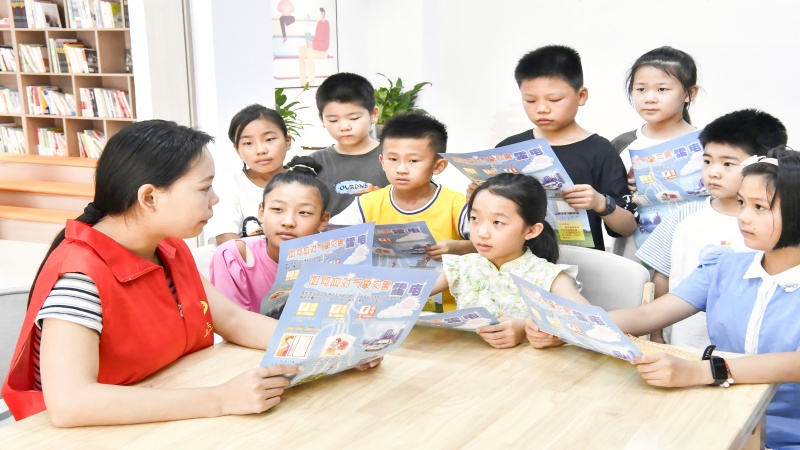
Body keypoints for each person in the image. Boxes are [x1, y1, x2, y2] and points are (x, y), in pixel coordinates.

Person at [1, 120, 303, 426]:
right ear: (149, 197)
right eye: (204, 188)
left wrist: (317, 343)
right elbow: (71, 403)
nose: (214, 198)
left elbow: (234, 320)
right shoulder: (80, 278)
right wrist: (221, 399)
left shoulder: (168, 248)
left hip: (161, 408)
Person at [595, 148, 799, 450]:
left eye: (760, 207)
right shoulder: (723, 267)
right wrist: (570, 325)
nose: (743, 216)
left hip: (788, 436)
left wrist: (703, 371)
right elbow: (647, 316)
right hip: (719, 420)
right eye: (741, 202)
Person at [635, 110, 788, 346]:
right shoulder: (683, 215)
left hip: (743, 352)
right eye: (707, 161)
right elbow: (661, 277)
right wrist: (656, 335)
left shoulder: (772, 226)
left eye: (728, 163)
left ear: (762, 166)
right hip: (682, 343)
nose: (713, 172)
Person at [490, 45, 637, 251]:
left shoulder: (599, 151)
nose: (541, 108)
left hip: (581, 263)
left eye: (554, 99)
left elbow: (627, 228)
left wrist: (600, 203)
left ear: (581, 96)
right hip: (518, 259)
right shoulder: (509, 148)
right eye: (530, 100)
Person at [431, 173, 588, 349]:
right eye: (475, 219)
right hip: (464, 360)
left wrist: (528, 329)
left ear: (531, 231)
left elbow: (592, 323)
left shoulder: (549, 276)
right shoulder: (461, 266)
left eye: (497, 222)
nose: (481, 233)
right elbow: (411, 292)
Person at [330, 113, 473, 256]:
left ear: (438, 166)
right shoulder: (366, 204)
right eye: (393, 159)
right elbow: (330, 236)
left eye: (413, 161)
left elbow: (485, 244)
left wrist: (462, 248)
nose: (401, 169)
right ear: (382, 161)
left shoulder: (457, 205)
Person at [609, 46, 700, 259]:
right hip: (635, 255)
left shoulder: (708, 144)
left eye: (662, 89)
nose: (649, 98)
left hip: (693, 252)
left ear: (690, 93)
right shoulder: (622, 144)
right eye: (641, 89)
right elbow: (611, 203)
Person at [209, 156, 330, 313]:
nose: (288, 222)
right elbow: (230, 321)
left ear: (323, 221)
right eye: (277, 209)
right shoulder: (235, 256)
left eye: (304, 212)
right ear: (261, 211)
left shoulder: (336, 261)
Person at [204, 105, 290, 246]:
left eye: (269, 139)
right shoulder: (229, 186)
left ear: (287, 142)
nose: (261, 150)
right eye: (248, 143)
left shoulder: (305, 182)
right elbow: (226, 239)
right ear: (237, 150)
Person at [310, 72, 389, 216]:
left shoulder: (393, 156)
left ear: (373, 115)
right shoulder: (314, 163)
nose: (344, 127)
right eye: (333, 120)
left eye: (354, 118)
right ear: (322, 119)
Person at [297, 7, 330, 87]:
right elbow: (317, 37)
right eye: (320, 13)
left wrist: (313, 44)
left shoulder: (326, 24)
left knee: (310, 53)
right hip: (316, 47)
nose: (321, 15)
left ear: (324, 14)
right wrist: (311, 42)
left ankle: (311, 81)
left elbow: (325, 44)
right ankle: (302, 80)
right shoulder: (319, 23)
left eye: (322, 13)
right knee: (302, 49)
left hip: (323, 51)